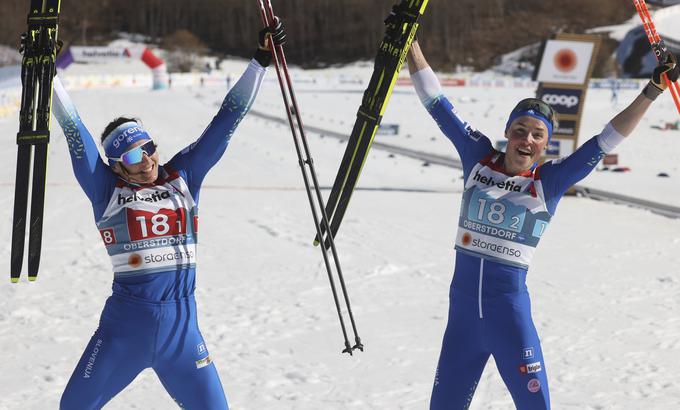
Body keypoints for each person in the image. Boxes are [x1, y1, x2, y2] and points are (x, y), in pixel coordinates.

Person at [407, 39, 678, 409]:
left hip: (510, 323)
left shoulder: (547, 181)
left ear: (546, 145)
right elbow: (436, 101)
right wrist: (412, 42)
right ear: (507, 131)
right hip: (462, 323)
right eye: (520, 129)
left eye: (538, 135)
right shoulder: (477, 158)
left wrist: (653, 90)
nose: (527, 139)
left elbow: (606, 138)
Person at [53, 20, 286, 410]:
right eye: (130, 156)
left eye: (148, 148)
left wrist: (260, 60)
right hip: (123, 332)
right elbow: (74, 130)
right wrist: (50, 76)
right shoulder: (106, 191)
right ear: (114, 165)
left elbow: (227, 119)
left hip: (183, 334)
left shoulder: (184, 176)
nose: (144, 160)